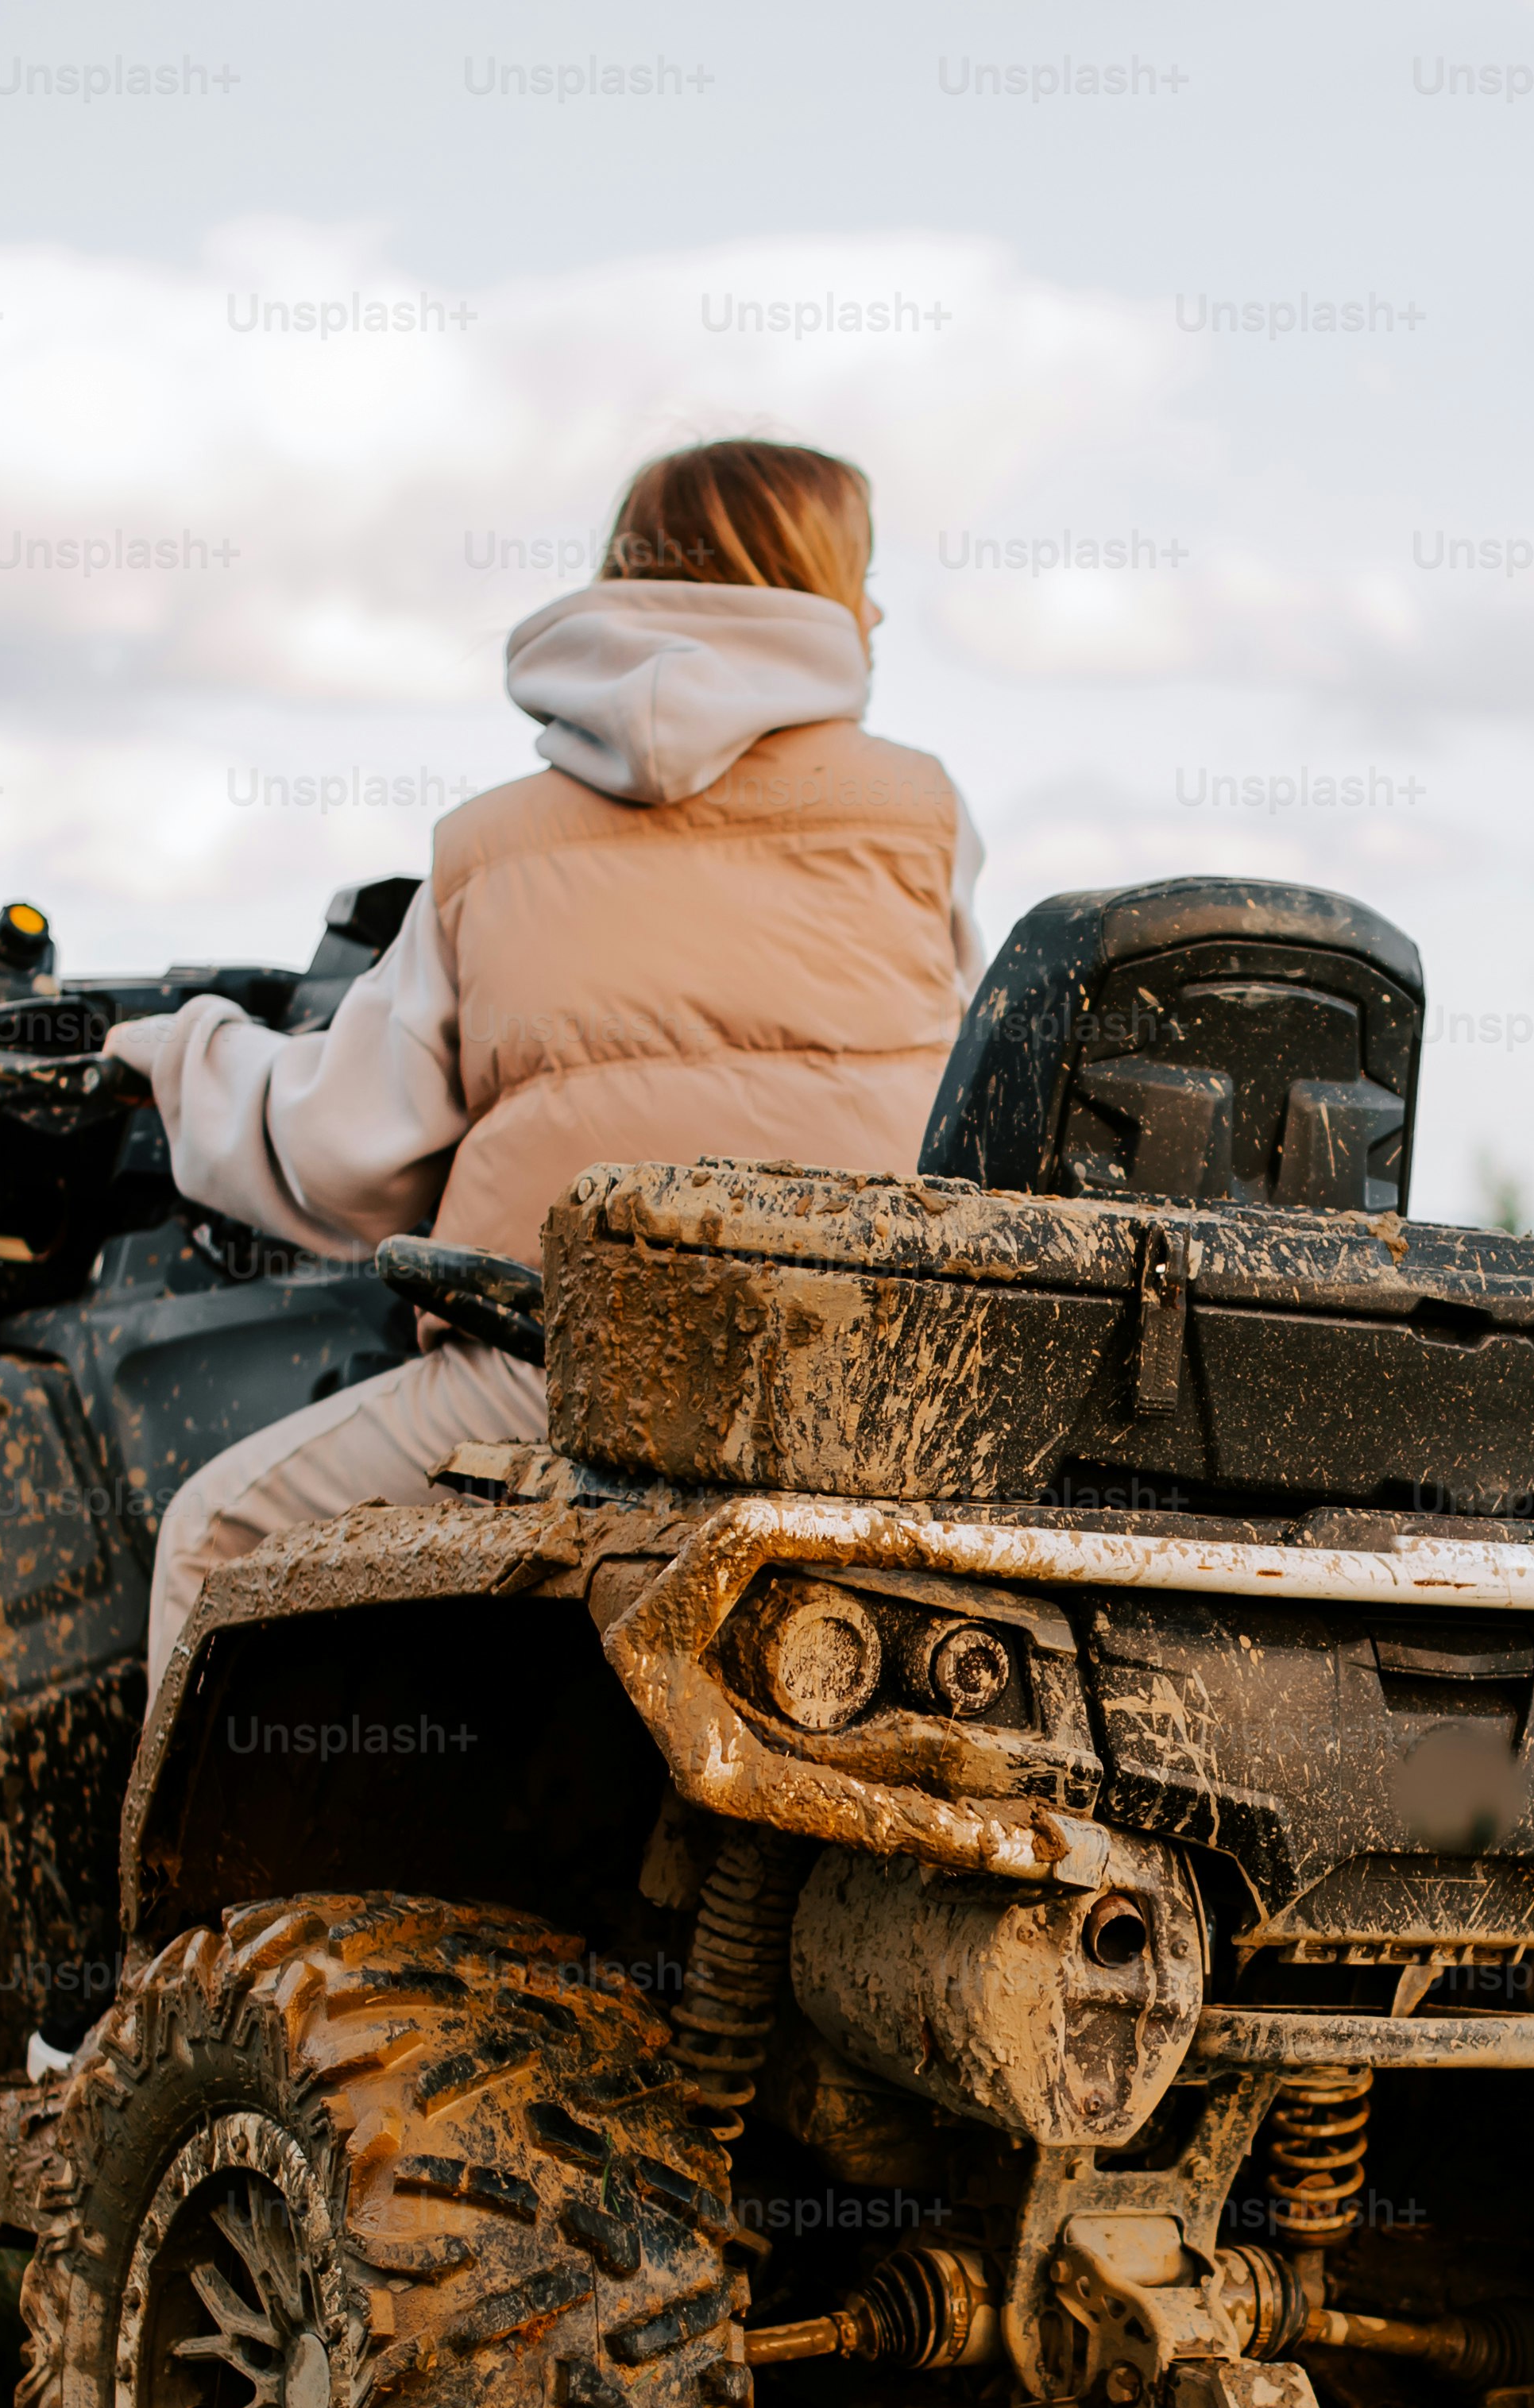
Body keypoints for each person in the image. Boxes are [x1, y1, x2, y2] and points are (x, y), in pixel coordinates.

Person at [106, 439, 983, 1686]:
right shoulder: (922, 815)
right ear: (800, 585)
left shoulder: (487, 848)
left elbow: (342, 1158)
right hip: (863, 1389)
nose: (880, 606)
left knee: (214, 1536)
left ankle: (208, 1894)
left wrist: (182, 1055)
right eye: (864, 572)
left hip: (564, 1386)